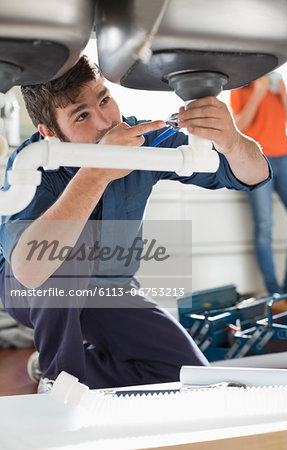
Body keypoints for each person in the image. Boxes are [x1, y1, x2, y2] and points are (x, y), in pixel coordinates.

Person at [0, 56, 270, 392]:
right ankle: (59, 382)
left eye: (104, 100)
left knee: (187, 378)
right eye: (81, 116)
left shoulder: (140, 138)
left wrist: (231, 141)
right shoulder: (32, 162)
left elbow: (252, 175)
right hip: (31, 289)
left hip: (111, 290)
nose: (104, 122)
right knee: (61, 250)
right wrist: (97, 172)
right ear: (50, 133)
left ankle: (61, 368)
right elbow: (30, 270)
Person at [230, 74, 287, 309]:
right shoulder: (240, 88)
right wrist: (258, 92)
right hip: (257, 159)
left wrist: (283, 95)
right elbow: (239, 126)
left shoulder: (278, 83)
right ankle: (274, 293)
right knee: (264, 226)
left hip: (285, 157)